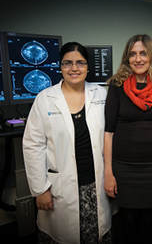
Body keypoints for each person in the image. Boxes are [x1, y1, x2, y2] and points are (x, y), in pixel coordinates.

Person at [22, 42, 112, 244]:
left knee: (95, 235)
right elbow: (32, 146)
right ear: (60, 66)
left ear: (88, 66)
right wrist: (40, 189)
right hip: (58, 188)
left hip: (94, 184)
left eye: (80, 63)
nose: (74, 68)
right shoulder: (45, 99)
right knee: (62, 236)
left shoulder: (101, 94)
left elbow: (111, 136)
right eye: (67, 63)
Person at [104, 34, 152, 244]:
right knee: (127, 222)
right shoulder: (117, 87)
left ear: (151, 56)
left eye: (143, 53)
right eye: (133, 54)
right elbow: (108, 132)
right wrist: (108, 172)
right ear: (127, 58)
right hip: (124, 168)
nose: (138, 59)